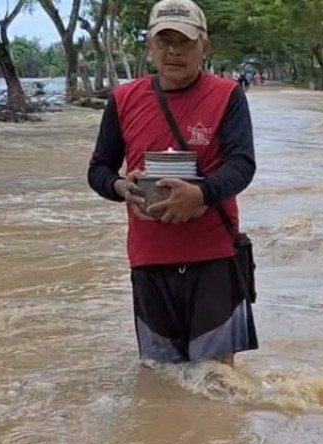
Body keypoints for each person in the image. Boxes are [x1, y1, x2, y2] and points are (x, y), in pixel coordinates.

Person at [87, 0, 258, 366]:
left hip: (212, 255)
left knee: (217, 382)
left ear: (204, 48)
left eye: (184, 41)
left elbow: (242, 166)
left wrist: (200, 195)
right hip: (150, 259)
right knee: (162, 379)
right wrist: (121, 188)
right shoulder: (122, 100)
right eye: (164, 40)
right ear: (149, 46)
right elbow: (98, 169)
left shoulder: (228, 95)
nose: (173, 51)